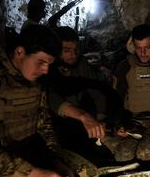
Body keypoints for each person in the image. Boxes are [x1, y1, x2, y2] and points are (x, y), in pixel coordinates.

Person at [0, 25, 99, 177]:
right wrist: (38, 175)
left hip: (29, 151)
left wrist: (56, 161)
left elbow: (44, 126)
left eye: (49, 64)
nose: (46, 70)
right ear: (19, 52)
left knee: (87, 174)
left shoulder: (35, 81)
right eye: (41, 62)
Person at [47, 26, 120, 164]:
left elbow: (98, 90)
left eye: (76, 50)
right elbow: (52, 98)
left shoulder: (81, 63)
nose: (73, 54)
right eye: (67, 50)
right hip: (58, 123)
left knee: (105, 156)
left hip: (83, 120)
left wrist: (100, 119)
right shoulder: (48, 68)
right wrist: (84, 117)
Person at [102, 24, 150, 162]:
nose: (143, 53)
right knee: (123, 155)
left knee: (145, 153)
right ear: (133, 46)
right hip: (133, 121)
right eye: (139, 48)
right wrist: (119, 124)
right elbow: (116, 99)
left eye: (147, 48)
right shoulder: (124, 67)